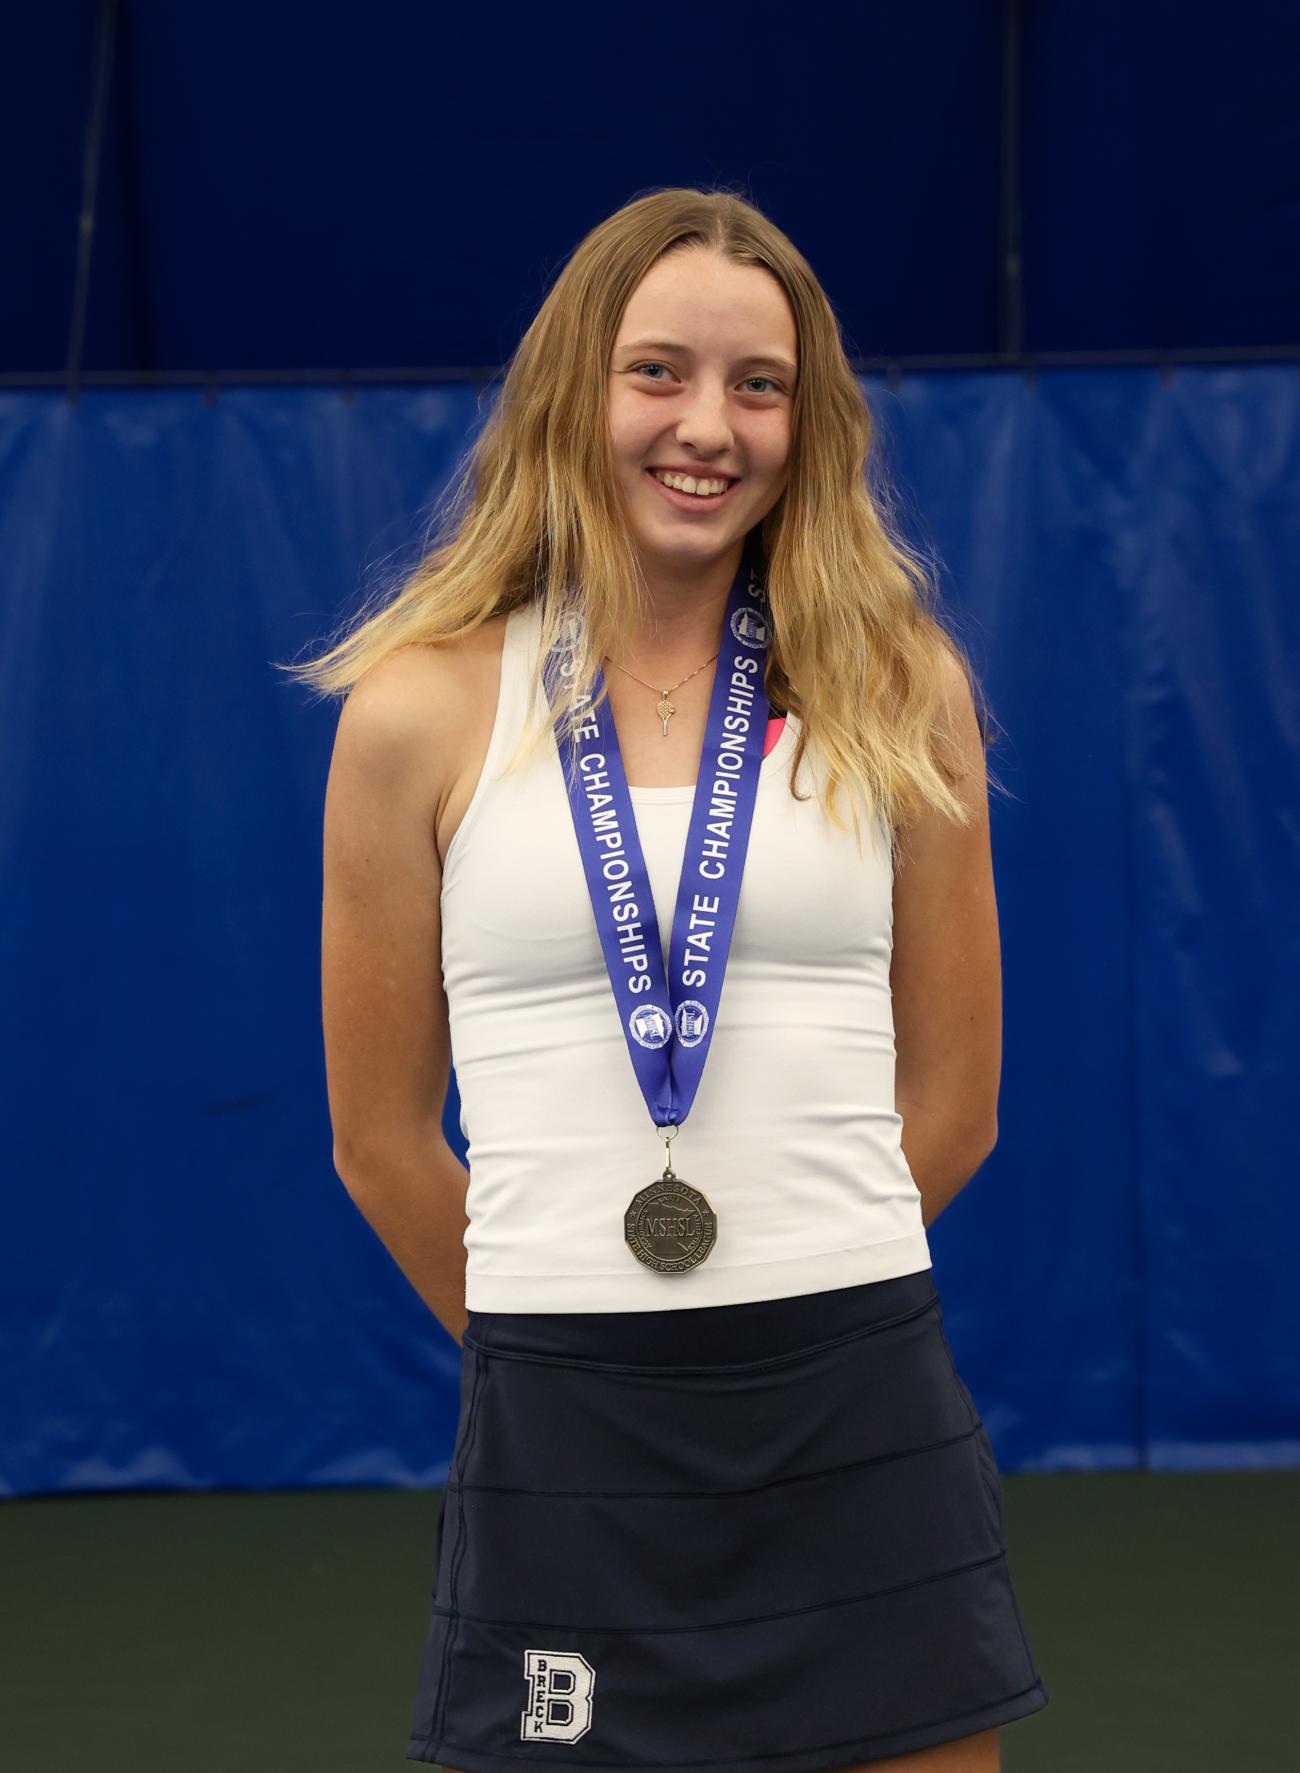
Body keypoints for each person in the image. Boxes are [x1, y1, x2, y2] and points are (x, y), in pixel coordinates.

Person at [294, 187, 1049, 1773]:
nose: (708, 425)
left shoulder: (904, 691)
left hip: (858, 1406)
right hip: (564, 1423)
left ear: (805, 419)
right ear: (578, 388)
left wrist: (786, 1296)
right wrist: (562, 1333)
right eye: (660, 373)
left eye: (757, 385)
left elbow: (957, 1107)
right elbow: (379, 1136)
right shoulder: (414, 714)